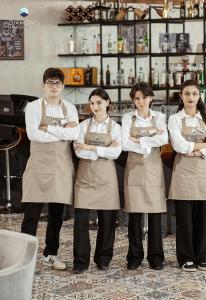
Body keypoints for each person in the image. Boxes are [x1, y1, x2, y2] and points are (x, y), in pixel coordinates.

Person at [21, 68, 80, 270]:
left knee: (57, 214)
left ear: (63, 86)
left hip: (60, 166)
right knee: (31, 215)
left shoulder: (70, 108)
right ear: (43, 85)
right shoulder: (33, 108)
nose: (54, 86)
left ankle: (50, 254)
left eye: (57, 83)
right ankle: (24, 258)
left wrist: (49, 129)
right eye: (50, 83)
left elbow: (74, 134)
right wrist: (63, 132)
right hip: (38, 166)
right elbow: (33, 135)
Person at [168, 79, 206, 272]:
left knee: (203, 218)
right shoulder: (175, 119)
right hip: (183, 173)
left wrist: (197, 151)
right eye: (187, 93)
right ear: (181, 96)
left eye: (195, 94)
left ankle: (201, 257)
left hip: (204, 174)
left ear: (200, 96)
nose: (191, 97)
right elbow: (178, 146)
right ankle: (186, 258)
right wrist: (201, 145)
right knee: (184, 219)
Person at [73, 88, 122, 274]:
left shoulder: (116, 128)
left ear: (108, 103)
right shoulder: (83, 126)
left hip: (106, 180)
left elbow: (116, 153)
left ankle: (103, 258)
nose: (95, 107)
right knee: (80, 221)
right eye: (92, 103)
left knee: (108, 221)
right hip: (84, 179)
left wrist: (90, 147)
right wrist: (103, 150)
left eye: (99, 102)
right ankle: (80, 261)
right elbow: (78, 151)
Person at [122, 82, 168, 270]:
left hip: (153, 170)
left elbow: (164, 139)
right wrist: (149, 142)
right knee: (134, 214)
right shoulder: (127, 117)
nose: (140, 102)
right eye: (137, 98)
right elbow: (125, 144)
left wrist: (138, 140)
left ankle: (156, 257)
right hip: (134, 170)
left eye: (144, 97)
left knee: (155, 212)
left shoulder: (159, 117)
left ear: (151, 98)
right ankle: (134, 256)